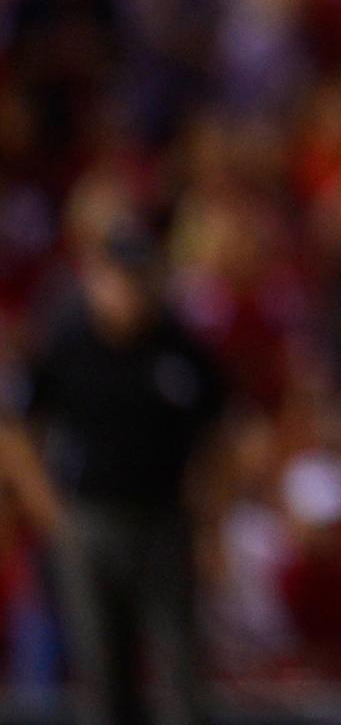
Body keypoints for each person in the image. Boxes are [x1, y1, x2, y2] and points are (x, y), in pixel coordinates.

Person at [12, 218, 226, 725]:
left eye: (136, 278)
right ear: (94, 280)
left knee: (179, 670)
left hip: (165, 520)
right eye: (116, 279)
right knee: (103, 674)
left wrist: (210, 514)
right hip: (90, 520)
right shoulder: (67, 344)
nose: (126, 292)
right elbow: (18, 430)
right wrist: (46, 506)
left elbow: (216, 434)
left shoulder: (178, 347)